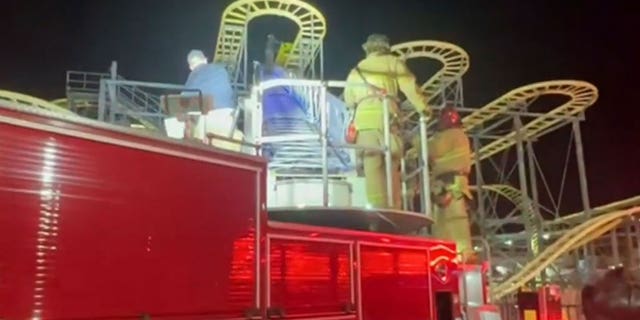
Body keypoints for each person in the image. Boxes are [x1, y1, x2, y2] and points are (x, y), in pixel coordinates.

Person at [343, 34, 431, 210]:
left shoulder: (356, 70)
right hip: (388, 121)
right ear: (386, 47)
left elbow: (349, 101)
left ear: (367, 49)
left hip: (365, 127)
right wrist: (424, 109)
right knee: (391, 168)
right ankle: (394, 211)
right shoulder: (393, 62)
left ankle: (376, 215)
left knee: (372, 170)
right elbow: (409, 86)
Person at [423, 105, 474, 262]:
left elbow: (430, 149)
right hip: (452, 186)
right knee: (449, 226)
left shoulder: (452, 135)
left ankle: (459, 259)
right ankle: (454, 258)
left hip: (449, 187)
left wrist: (415, 138)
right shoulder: (460, 136)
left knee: (450, 227)